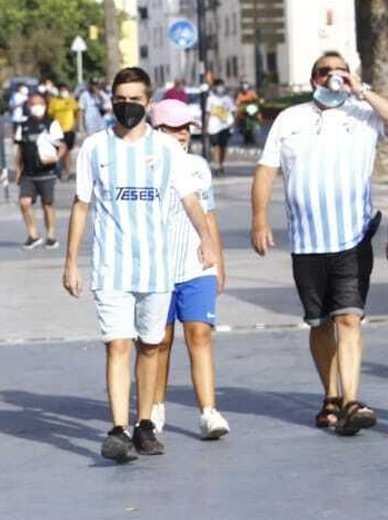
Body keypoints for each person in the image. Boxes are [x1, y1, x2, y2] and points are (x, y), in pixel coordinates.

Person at [63, 68, 215, 464]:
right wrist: (71, 262)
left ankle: (145, 422)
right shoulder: (94, 148)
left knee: (150, 346)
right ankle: (118, 429)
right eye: (119, 98)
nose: (125, 105)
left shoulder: (166, 150)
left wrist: (207, 240)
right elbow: (82, 206)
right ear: (110, 100)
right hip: (112, 268)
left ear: (148, 103)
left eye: (134, 98)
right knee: (117, 345)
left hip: (156, 268)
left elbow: (190, 200)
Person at [252, 52, 388, 435]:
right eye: (324, 72)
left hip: (353, 237)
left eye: (340, 71)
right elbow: (266, 170)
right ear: (313, 79)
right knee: (320, 323)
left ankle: (351, 401)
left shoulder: (364, 114)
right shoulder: (290, 119)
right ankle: (331, 395)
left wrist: (361, 89)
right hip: (307, 242)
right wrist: (259, 219)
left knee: (348, 317)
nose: (333, 77)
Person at [148, 100, 229, 440]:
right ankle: (154, 408)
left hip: (196, 265)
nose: (182, 134)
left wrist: (218, 260)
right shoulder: (144, 164)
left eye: (187, 128)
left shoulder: (197, 166)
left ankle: (209, 412)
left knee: (199, 334)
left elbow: (208, 214)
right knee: (159, 341)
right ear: (156, 130)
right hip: (157, 268)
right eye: (174, 128)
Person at [12, 91, 63, 250]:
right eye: (33, 104)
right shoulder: (23, 126)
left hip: (46, 172)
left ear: (45, 104)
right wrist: (17, 170)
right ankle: (33, 235)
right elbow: (19, 149)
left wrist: (56, 159)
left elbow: (62, 146)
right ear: (28, 106)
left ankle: (51, 236)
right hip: (28, 173)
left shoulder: (51, 124)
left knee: (47, 204)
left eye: (39, 103)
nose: (36, 107)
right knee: (24, 202)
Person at [203, 78, 235, 176]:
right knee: (215, 147)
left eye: (221, 85)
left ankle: (221, 164)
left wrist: (232, 123)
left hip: (225, 126)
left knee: (223, 148)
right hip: (213, 127)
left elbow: (232, 112)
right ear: (215, 87)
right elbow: (207, 114)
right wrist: (206, 126)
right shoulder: (210, 99)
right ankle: (217, 166)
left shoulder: (228, 99)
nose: (220, 88)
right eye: (218, 85)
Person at [48, 84, 79, 176]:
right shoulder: (54, 101)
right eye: (61, 90)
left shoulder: (71, 100)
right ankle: (59, 170)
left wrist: (75, 125)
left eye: (65, 90)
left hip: (69, 129)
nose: (63, 92)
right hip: (57, 130)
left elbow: (77, 113)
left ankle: (67, 171)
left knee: (67, 151)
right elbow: (50, 115)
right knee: (59, 151)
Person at [235, 81, 261, 146]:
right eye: (243, 89)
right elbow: (238, 103)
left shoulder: (252, 93)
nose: (245, 91)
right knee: (239, 117)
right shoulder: (240, 94)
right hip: (243, 111)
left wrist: (258, 102)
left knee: (258, 116)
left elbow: (257, 100)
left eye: (246, 89)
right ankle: (240, 128)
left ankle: (254, 131)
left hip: (251, 110)